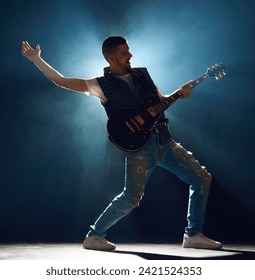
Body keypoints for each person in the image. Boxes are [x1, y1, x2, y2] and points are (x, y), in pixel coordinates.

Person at [21, 36, 222, 250]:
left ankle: (193, 234)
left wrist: (179, 94)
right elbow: (61, 81)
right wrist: (37, 60)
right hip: (140, 148)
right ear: (112, 58)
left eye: (129, 51)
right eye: (125, 53)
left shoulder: (142, 74)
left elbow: (159, 101)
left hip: (165, 141)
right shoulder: (100, 85)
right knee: (131, 198)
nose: (130, 56)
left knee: (202, 178)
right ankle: (94, 235)